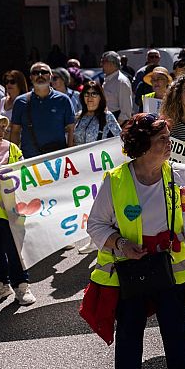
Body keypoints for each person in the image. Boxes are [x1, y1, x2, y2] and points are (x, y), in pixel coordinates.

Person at [85, 113, 185, 369]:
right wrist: (121, 244)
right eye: (162, 139)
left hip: (173, 270)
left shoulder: (182, 175)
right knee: (129, 336)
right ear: (143, 145)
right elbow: (95, 225)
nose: (169, 143)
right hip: (131, 271)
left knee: (178, 337)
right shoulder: (116, 180)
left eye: (168, 137)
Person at [73, 82, 122, 254]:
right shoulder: (78, 116)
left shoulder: (107, 117)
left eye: (94, 94)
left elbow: (119, 139)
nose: (90, 97)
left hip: (99, 169)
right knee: (86, 204)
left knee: (100, 205)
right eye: (87, 94)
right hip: (82, 169)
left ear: (101, 97)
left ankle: (99, 239)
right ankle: (94, 237)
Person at [0, 111, 35, 305]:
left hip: (10, 212)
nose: (1, 131)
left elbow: (23, 176)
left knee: (15, 250)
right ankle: (1, 285)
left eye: (3, 127)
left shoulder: (13, 149)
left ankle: (21, 286)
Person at [10, 63, 76, 159]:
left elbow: (71, 129)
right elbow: (15, 131)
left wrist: (70, 155)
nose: (40, 75)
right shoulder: (20, 102)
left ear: (51, 76)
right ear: (30, 77)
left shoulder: (64, 100)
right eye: (35, 73)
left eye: (44, 72)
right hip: (29, 160)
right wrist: (15, 158)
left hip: (58, 159)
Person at [101, 51, 134, 125]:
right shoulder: (108, 79)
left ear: (112, 63)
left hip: (116, 121)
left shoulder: (121, 82)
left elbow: (126, 110)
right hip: (106, 119)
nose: (101, 65)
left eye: (103, 62)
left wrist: (116, 127)